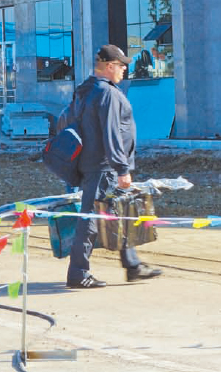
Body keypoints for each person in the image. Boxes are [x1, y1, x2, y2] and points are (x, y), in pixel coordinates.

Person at [66, 44, 162, 289]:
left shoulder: (85, 90)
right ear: (109, 67)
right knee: (91, 217)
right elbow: (111, 133)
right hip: (103, 167)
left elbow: (67, 122)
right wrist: (121, 168)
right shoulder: (106, 93)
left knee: (119, 212)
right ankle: (78, 273)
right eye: (121, 65)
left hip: (92, 163)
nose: (124, 70)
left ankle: (133, 266)